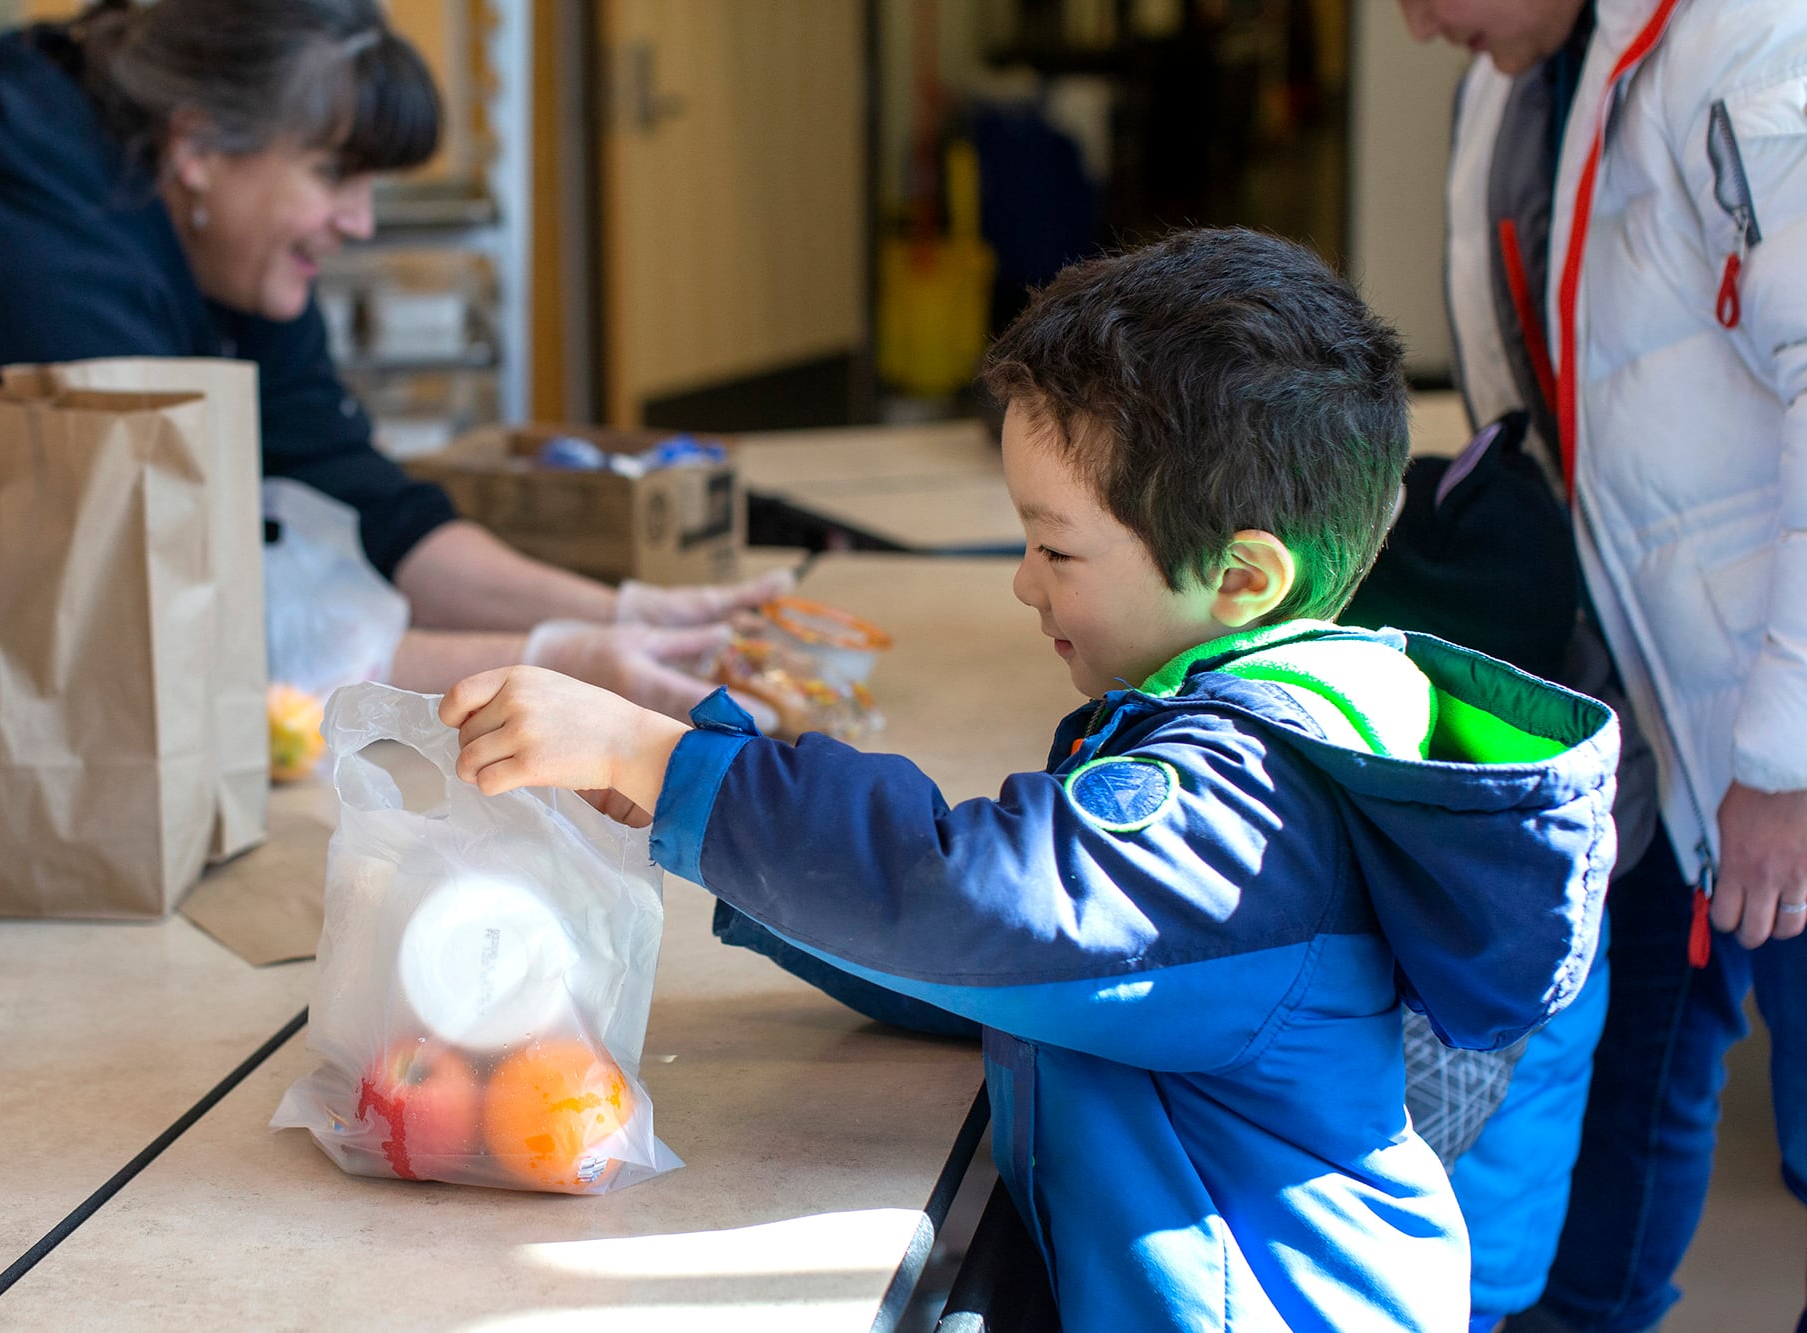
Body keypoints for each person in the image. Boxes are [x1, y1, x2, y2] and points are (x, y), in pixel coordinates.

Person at [434, 229, 1621, 1330]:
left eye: (1054, 548)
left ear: (1242, 577)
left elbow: (989, 901)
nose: (1021, 583)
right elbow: (1018, 968)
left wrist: (665, 761)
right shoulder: (1231, 729)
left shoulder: (1243, 800)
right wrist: (702, 805)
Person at [0, 0, 779, 805]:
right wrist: (553, 665)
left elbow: (363, 496)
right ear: (199, 146)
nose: (358, 222)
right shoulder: (37, 270)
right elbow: (173, 624)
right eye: (334, 175)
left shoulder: (203, 228)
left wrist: (628, 619)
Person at [1399, 2, 1807, 1331]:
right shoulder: (1518, 71)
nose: (1413, 22)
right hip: (1659, 713)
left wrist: (1787, 759)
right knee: (1630, 1113)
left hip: (1770, 730)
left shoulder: (1753, 45)